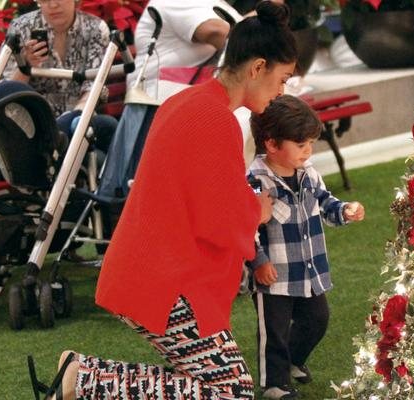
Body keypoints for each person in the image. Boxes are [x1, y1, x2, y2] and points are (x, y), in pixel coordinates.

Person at [25, 2, 297, 399]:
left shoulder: (191, 102)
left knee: (222, 387)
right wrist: (257, 210)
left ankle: (81, 374)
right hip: (166, 279)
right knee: (231, 394)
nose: (281, 92)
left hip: (151, 270)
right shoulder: (214, 118)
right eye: (282, 79)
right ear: (257, 68)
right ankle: (81, 379)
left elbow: (206, 192)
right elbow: (217, 216)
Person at [246, 95, 366, 399]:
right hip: (273, 276)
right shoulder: (256, 180)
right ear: (272, 144)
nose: (308, 150)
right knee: (273, 332)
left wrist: (345, 210)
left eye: (310, 143)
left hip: (308, 269)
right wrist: (259, 261)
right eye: (301, 145)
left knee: (317, 319)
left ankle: (293, 359)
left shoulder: (309, 172)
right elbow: (246, 227)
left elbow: (326, 202)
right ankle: (274, 384)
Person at [2, 0, 117, 153]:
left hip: (79, 119)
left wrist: (73, 118)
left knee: (108, 127)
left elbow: (93, 86)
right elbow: (5, 93)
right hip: (34, 126)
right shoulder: (21, 28)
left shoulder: (95, 28)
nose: (53, 5)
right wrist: (26, 66)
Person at [125, 0, 245, 101]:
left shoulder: (215, 3)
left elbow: (248, 32)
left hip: (187, 91)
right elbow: (220, 34)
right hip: (155, 95)